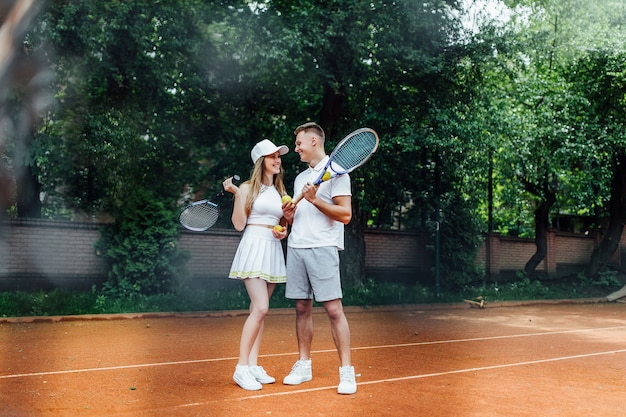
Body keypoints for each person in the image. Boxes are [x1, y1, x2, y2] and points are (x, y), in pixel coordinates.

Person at [281, 122, 357, 395]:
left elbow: (345, 215)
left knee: (334, 310)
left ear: (314, 141)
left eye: (300, 143)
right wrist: (289, 219)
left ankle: (347, 372)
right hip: (297, 247)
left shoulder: (339, 174)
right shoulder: (301, 178)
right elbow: (302, 216)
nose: (297, 148)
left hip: (323, 247)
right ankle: (304, 365)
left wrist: (314, 200)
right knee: (302, 307)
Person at [223, 138, 290, 391]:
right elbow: (239, 225)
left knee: (259, 310)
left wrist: (283, 231)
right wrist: (238, 194)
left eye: (279, 156)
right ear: (262, 161)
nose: (278, 160)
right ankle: (241, 368)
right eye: (272, 157)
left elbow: (283, 224)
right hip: (253, 246)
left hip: (272, 248)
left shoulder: (281, 192)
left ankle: (252, 365)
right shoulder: (248, 187)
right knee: (261, 308)